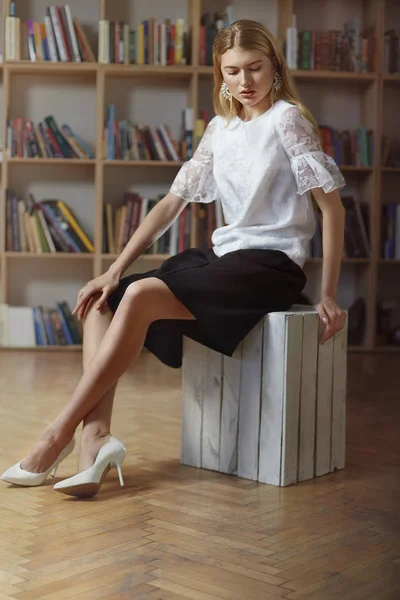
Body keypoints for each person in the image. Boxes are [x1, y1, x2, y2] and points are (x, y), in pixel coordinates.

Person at [1, 19, 347, 497]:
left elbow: (331, 208)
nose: (244, 82)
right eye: (231, 72)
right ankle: (95, 441)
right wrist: (113, 268)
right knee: (104, 298)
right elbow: (170, 204)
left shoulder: (287, 120)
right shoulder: (220, 130)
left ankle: (55, 434)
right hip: (225, 258)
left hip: (270, 265)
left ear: (275, 67)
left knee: (142, 295)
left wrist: (327, 293)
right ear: (219, 75)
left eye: (255, 68)